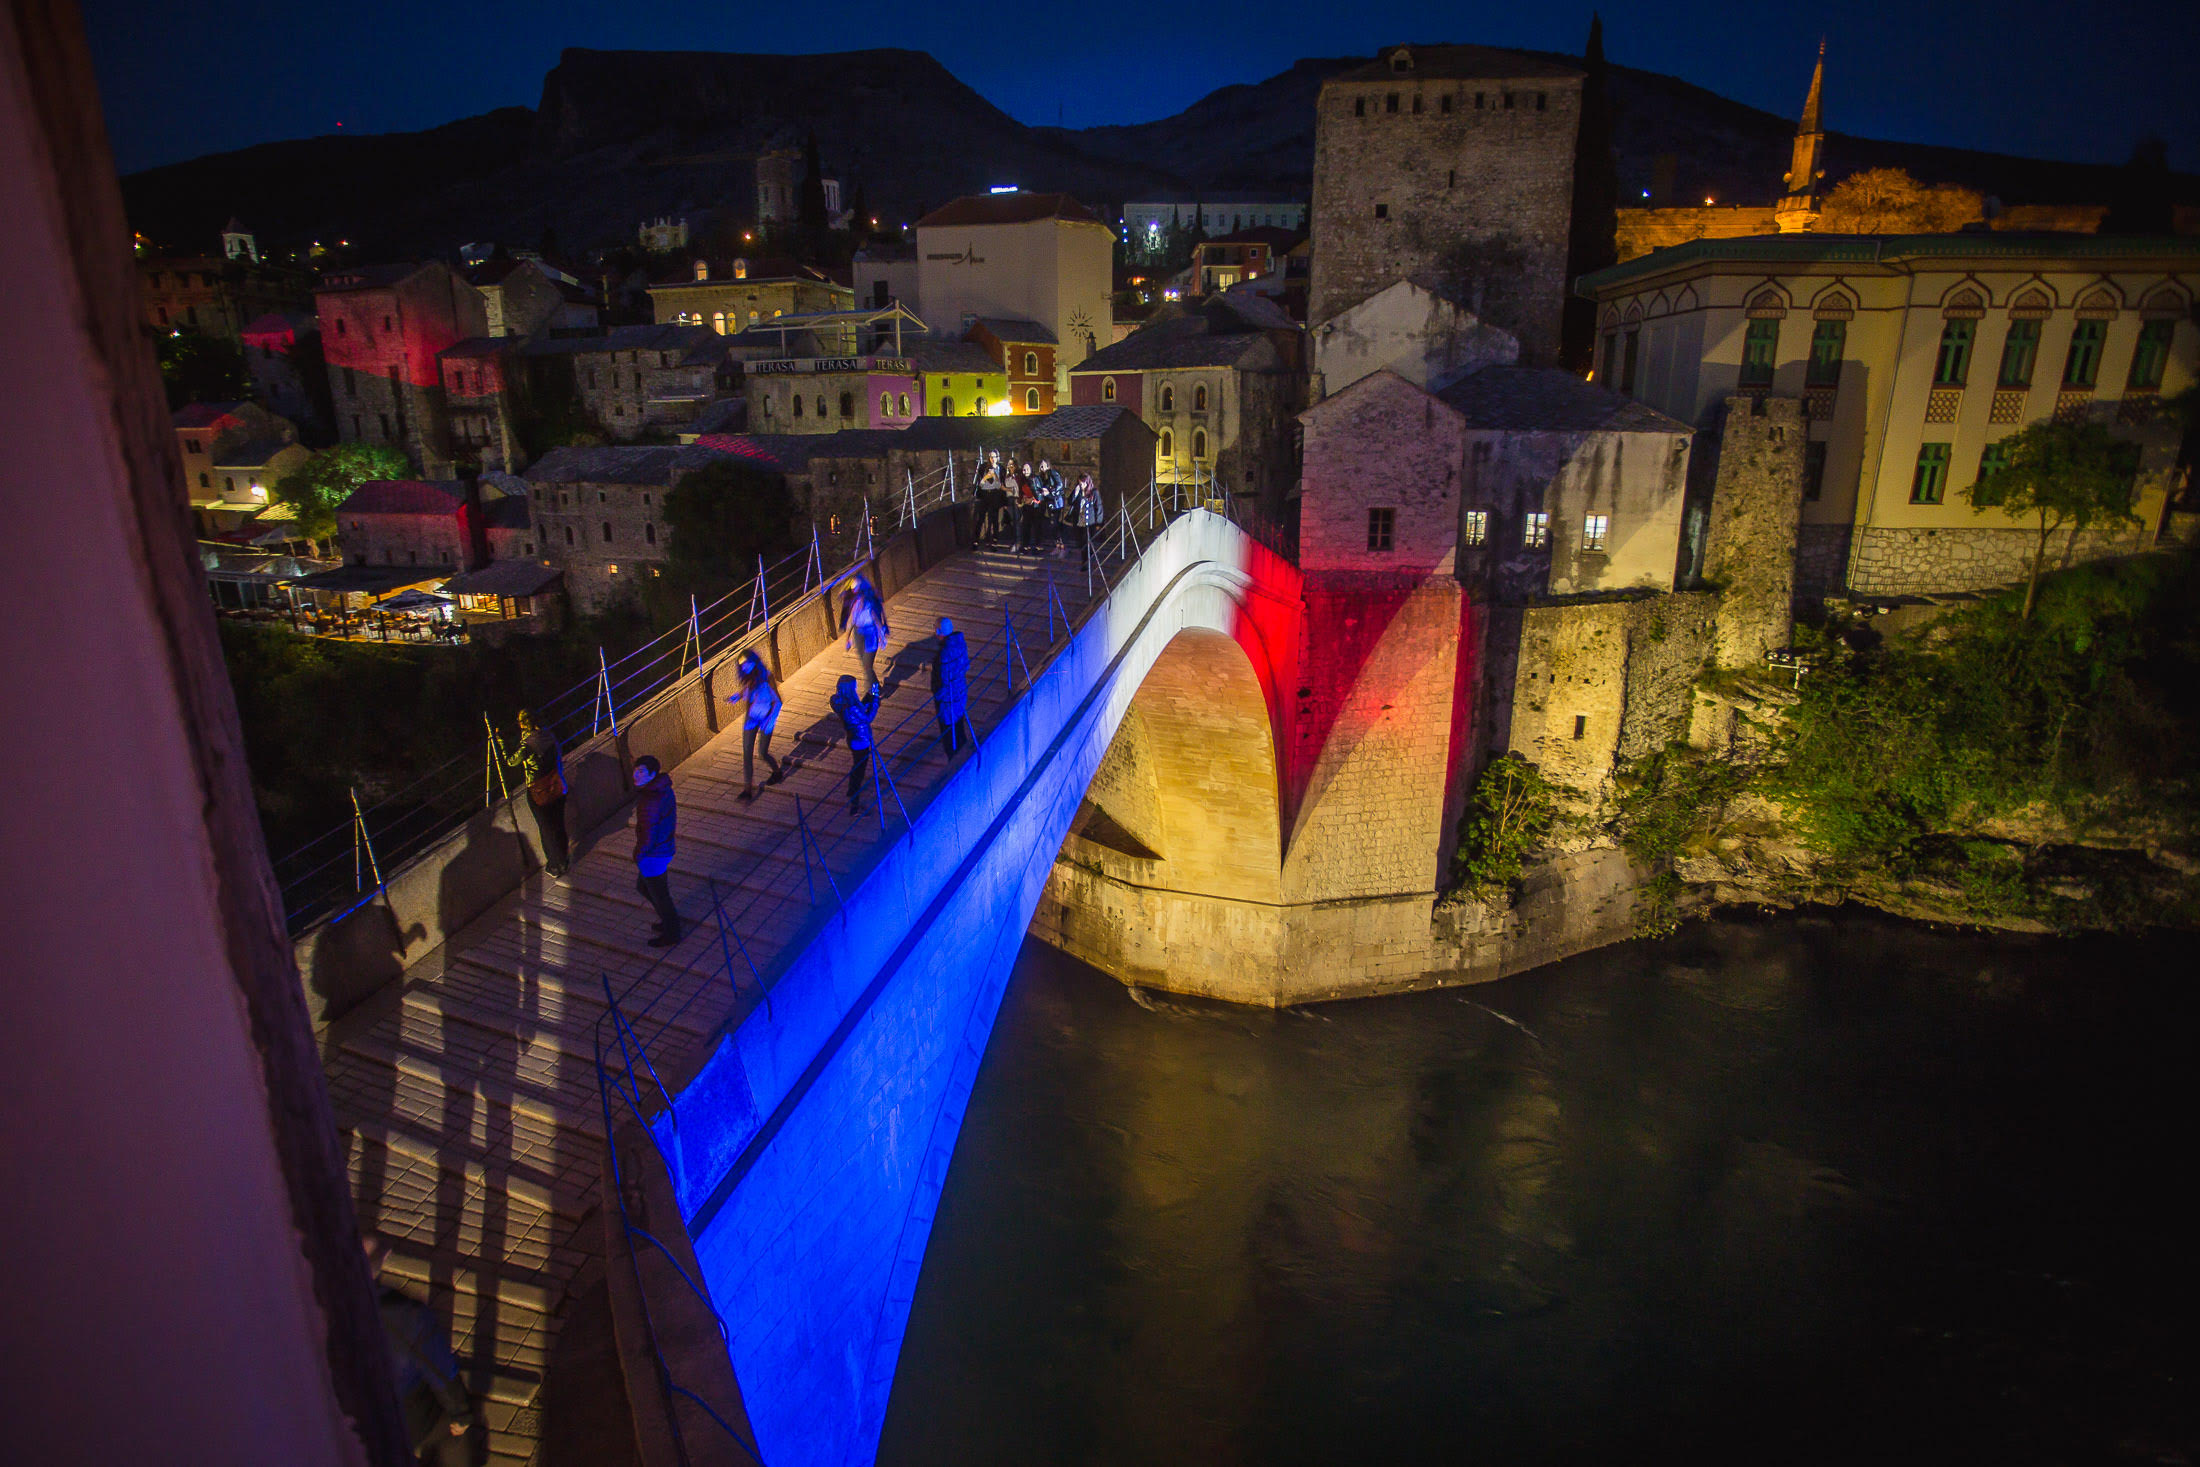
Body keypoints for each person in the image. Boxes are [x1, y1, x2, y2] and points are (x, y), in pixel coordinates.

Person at [365, 1236, 475, 1465]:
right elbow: (443, 1372)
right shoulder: (405, 1313)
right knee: (451, 1432)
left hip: (340, 1412)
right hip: (401, 1414)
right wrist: (461, 1413)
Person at [506, 709, 568, 878]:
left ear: (522, 724)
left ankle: (555, 865)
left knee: (546, 828)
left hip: (538, 791)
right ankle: (563, 859)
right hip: (557, 784)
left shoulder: (527, 745)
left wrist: (500, 743)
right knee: (559, 824)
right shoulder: (549, 735)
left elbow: (511, 762)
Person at [630, 755, 680, 946]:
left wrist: (639, 854)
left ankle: (672, 931)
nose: (636, 774)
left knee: (660, 895)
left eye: (641, 771)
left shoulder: (650, 800)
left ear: (652, 774)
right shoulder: (662, 789)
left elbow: (648, 834)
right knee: (646, 887)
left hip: (654, 854)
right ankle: (669, 922)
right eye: (635, 770)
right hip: (663, 848)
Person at [724, 651, 786, 800]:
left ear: (754, 661)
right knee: (747, 754)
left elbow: (778, 701)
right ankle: (747, 790)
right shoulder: (748, 678)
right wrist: (738, 696)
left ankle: (777, 772)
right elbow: (749, 691)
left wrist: (769, 720)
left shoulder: (766, 676)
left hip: (766, 718)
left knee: (762, 752)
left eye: (747, 664)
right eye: (742, 666)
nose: (744, 668)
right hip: (751, 718)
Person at [831, 673, 882, 815]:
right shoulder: (851, 706)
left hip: (852, 738)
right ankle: (854, 806)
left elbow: (859, 709)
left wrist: (868, 697)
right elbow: (867, 717)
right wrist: (875, 700)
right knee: (859, 771)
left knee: (856, 766)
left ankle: (851, 790)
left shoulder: (839, 701)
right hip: (861, 740)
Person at [840, 573, 890, 699]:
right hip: (858, 633)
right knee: (865, 665)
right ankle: (874, 688)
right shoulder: (855, 602)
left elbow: (878, 619)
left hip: (870, 634)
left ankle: (874, 691)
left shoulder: (870, 602)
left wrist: (882, 635)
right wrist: (847, 639)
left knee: (868, 666)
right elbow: (852, 621)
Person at [930, 616, 972, 755]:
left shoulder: (943, 654)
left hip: (947, 700)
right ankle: (964, 755)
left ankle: (956, 760)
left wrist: (938, 694)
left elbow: (941, 680)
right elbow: (966, 666)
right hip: (960, 693)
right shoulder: (960, 644)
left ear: (939, 632)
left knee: (950, 737)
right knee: (959, 728)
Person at [1071, 472, 1104, 570]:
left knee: (1087, 543)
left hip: (1090, 523)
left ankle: (1086, 563)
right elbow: (1070, 502)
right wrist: (1075, 493)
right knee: (1082, 543)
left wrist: (1099, 522)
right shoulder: (1078, 492)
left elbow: (1099, 507)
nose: (1081, 485)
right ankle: (1085, 561)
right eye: (1080, 483)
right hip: (1079, 522)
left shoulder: (1094, 492)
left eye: (1083, 483)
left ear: (1088, 483)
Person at [974, 450, 1008, 545]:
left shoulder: (1001, 469)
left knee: (994, 519)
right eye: (991, 457)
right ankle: (976, 540)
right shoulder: (984, 467)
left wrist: (1005, 501)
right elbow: (980, 482)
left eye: (994, 457)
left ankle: (994, 540)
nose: (993, 459)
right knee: (980, 519)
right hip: (985, 496)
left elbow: (1003, 484)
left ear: (998, 457)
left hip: (996, 496)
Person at [1034, 459, 1068, 555]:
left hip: (1055, 501)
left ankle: (1062, 547)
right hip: (1049, 502)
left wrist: (1050, 491)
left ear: (1048, 466)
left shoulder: (1052, 473)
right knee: (1052, 524)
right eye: (1040, 466)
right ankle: (1057, 545)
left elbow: (1059, 485)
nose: (1041, 468)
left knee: (1055, 524)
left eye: (1043, 466)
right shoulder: (1042, 477)